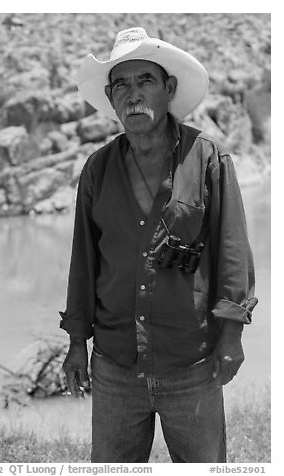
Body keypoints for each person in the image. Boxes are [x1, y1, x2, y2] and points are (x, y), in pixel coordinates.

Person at [59, 27, 257, 463]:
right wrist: (77, 340)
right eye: (121, 85)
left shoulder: (207, 158)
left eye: (144, 80)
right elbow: (84, 261)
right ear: (111, 99)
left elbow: (233, 252)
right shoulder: (98, 169)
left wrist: (231, 335)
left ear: (168, 89)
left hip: (192, 361)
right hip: (114, 365)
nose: (133, 95)